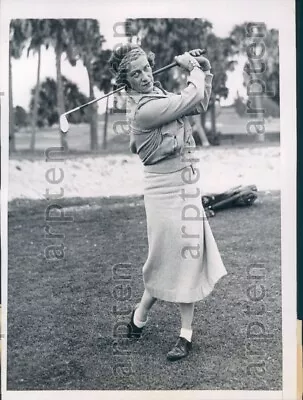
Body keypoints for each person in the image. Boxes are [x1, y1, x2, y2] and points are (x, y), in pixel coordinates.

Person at [109, 44, 227, 362]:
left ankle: (178, 332)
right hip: (161, 191)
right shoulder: (143, 110)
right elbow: (189, 98)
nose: (145, 76)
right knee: (165, 259)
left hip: (185, 183)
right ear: (127, 82)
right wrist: (192, 69)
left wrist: (203, 67)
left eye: (146, 68)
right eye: (136, 74)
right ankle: (141, 313)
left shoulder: (159, 95)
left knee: (185, 256)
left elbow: (197, 105)